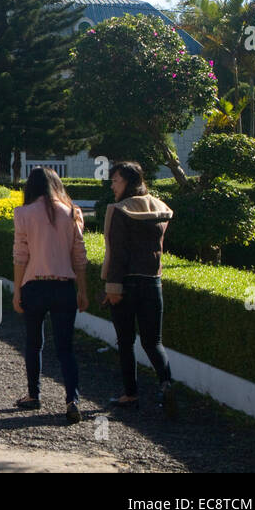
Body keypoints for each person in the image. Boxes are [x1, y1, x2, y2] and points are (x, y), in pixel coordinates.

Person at [12, 166, 88, 425]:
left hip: (34, 285)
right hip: (64, 286)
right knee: (66, 348)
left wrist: (17, 290)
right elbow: (79, 256)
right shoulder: (72, 212)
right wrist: (83, 290)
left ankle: (34, 395)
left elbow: (21, 256)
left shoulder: (23, 214)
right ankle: (72, 400)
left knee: (34, 343)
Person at [102, 161, 177, 419]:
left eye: (116, 180)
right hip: (153, 282)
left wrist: (112, 287)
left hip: (126, 283)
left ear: (129, 182)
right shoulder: (160, 208)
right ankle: (166, 384)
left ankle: (130, 394)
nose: (112, 185)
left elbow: (118, 253)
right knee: (153, 341)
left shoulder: (120, 210)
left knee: (125, 341)